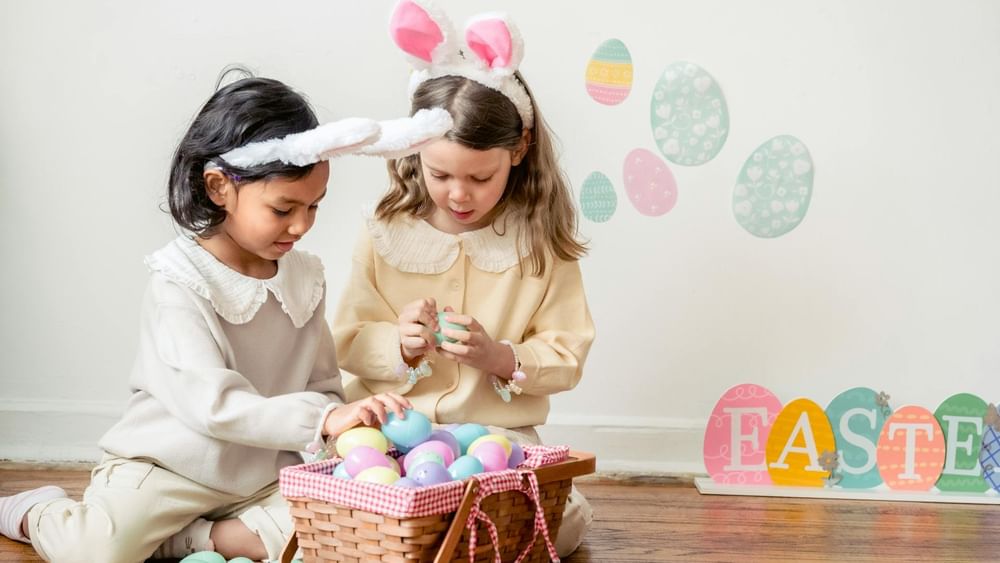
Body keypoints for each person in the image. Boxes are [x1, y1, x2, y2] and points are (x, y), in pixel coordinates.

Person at [0, 71, 420, 563]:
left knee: (343, 530)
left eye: (314, 207)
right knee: (94, 551)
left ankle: (185, 541)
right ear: (220, 187)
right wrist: (325, 418)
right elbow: (212, 405)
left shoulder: (304, 277)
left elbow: (324, 385)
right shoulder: (179, 281)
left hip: (260, 476)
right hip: (168, 472)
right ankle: (40, 513)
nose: (302, 225)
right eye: (284, 208)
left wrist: (351, 430)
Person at [333, 1, 596, 556]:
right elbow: (347, 339)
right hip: (391, 434)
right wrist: (399, 346)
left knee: (562, 522)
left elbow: (567, 350)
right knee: (352, 501)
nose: (459, 193)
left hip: (496, 440)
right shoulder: (384, 231)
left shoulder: (538, 242)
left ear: (519, 150)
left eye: (481, 177)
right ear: (413, 153)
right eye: (440, 173)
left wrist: (502, 357)